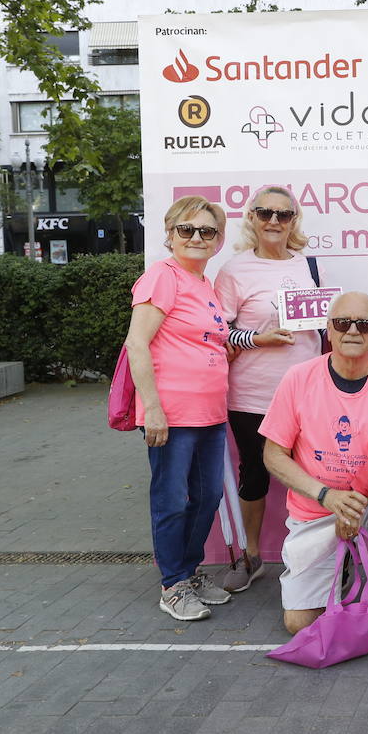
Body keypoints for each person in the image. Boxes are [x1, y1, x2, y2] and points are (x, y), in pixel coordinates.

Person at [260, 291, 368, 644]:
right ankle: (345, 569)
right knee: (299, 623)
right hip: (317, 506)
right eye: (342, 322)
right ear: (329, 330)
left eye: (364, 324)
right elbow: (273, 455)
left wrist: (357, 500)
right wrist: (328, 497)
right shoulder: (298, 378)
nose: (353, 330)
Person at [123, 195, 233, 621]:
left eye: (207, 231)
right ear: (169, 235)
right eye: (186, 230)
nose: (196, 238)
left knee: (207, 497)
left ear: (218, 240)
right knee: (172, 500)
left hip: (211, 413)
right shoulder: (162, 277)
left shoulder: (203, 283)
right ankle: (173, 585)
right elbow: (137, 343)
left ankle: (189, 571)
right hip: (172, 414)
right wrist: (152, 408)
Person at [213, 186, 323, 593]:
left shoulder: (310, 266)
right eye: (265, 213)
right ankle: (252, 555)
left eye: (283, 214)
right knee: (255, 473)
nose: (274, 221)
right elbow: (218, 333)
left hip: (306, 394)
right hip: (252, 394)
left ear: (294, 220)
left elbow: (324, 326)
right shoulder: (234, 270)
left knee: (315, 473)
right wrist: (260, 340)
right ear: (252, 218)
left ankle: (316, 556)